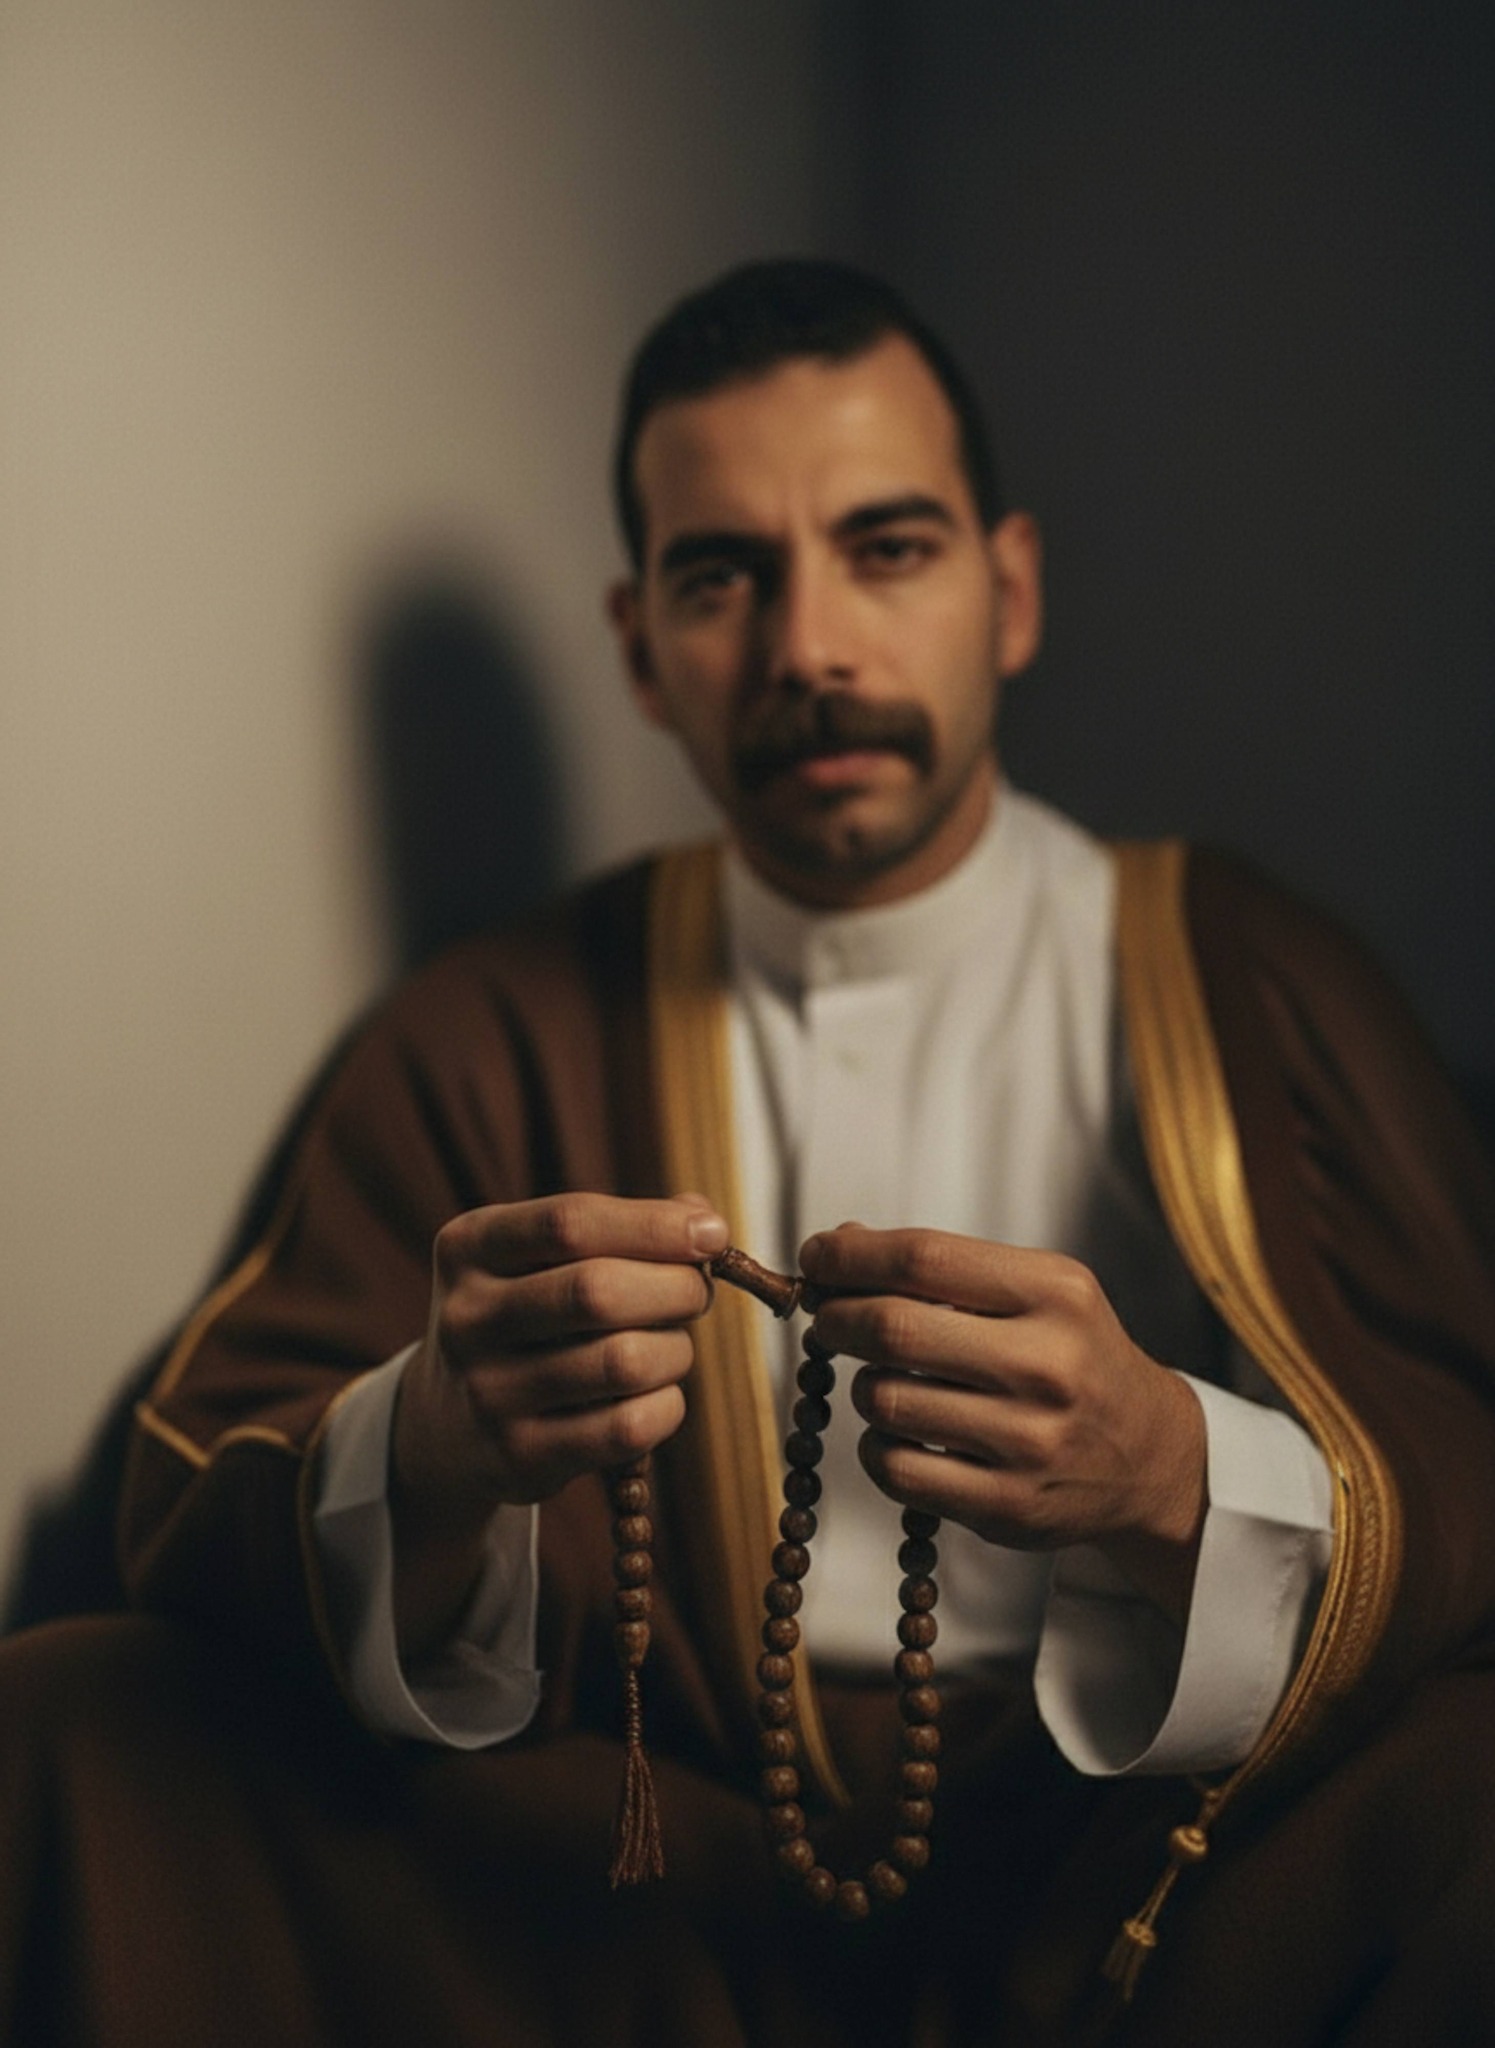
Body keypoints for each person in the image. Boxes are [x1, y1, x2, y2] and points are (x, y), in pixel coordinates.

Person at [3, 260, 1493, 2047]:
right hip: (647, 1879)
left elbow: (1451, 1445)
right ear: (641, 648)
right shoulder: (494, 1028)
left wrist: (1174, 1472)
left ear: (1007, 592)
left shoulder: (1249, 981)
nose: (811, 651)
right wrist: (441, 1450)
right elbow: (223, 1470)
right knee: (88, 1717)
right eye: (725, 578)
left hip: (1157, 1880)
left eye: (887, 548)